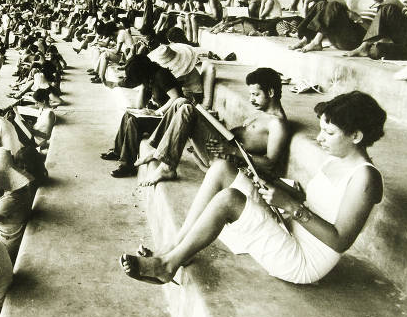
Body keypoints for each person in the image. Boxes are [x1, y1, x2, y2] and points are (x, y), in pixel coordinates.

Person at [120, 91, 385, 286]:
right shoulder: (336, 159)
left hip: (303, 260)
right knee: (223, 168)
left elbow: (340, 240)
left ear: (356, 136)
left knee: (230, 199)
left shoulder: (365, 179)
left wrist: (291, 205)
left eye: (329, 133)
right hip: (292, 226)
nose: (319, 138)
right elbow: (312, 202)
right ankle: (174, 246)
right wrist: (271, 185)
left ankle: (167, 266)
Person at [137, 67, 289, 187]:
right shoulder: (261, 112)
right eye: (250, 94)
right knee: (180, 102)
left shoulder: (278, 125)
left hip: (227, 158)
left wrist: (233, 151)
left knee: (186, 110)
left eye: (255, 95)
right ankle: (158, 150)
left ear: (270, 92)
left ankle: (167, 168)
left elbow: (269, 164)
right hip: (222, 145)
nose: (251, 99)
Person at [101, 56, 182, 178]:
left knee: (134, 121)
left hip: (170, 119)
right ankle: (118, 151)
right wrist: (143, 87)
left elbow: (176, 97)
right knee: (128, 114)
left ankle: (127, 165)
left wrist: (158, 111)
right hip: (159, 116)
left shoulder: (161, 75)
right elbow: (140, 106)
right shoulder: (149, 78)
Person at [288, 0, 366, 53]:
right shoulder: (319, 4)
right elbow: (307, 21)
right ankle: (306, 41)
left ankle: (314, 41)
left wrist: (355, 17)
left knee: (333, 4)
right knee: (326, 5)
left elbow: (367, 28)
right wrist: (305, 4)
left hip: (353, 41)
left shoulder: (322, 3)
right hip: (338, 40)